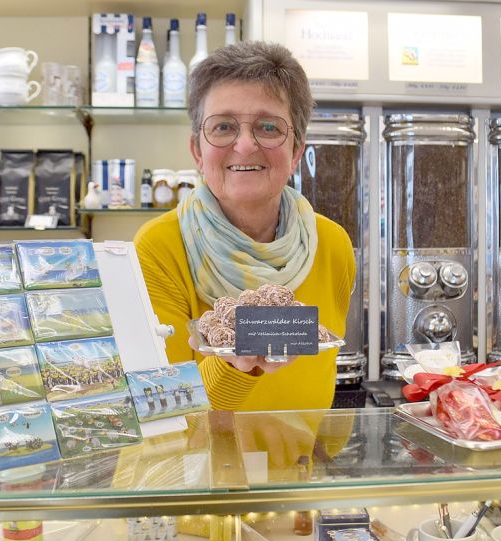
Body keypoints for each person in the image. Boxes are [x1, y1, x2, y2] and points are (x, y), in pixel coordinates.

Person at [135, 41, 355, 412]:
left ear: (297, 151)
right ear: (197, 151)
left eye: (268, 127)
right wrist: (237, 366)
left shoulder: (331, 244)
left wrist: (322, 458)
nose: (244, 145)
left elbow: (317, 381)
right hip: (199, 470)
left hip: (298, 469)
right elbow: (162, 407)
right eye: (223, 127)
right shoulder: (159, 247)